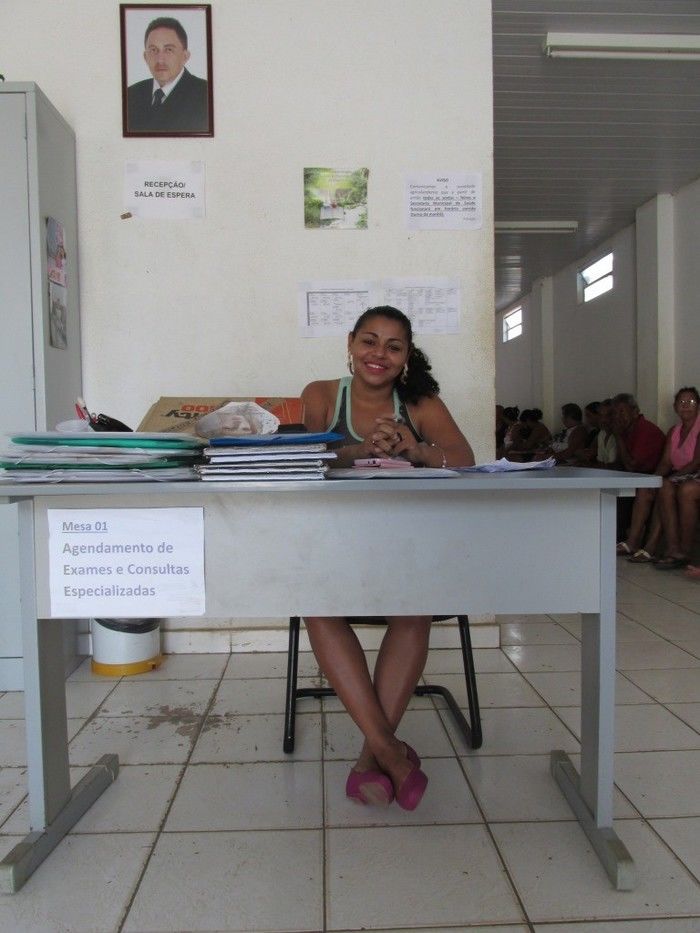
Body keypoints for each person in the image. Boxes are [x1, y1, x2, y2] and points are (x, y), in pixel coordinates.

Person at [301, 306, 474, 810]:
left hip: (406, 543)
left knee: (414, 611)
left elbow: (465, 458)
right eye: (369, 341)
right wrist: (358, 450)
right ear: (351, 343)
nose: (379, 354)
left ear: (406, 356)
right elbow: (305, 457)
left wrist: (415, 449)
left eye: (393, 346)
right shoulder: (320, 394)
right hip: (335, 543)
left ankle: (370, 756)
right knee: (317, 607)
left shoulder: (420, 402)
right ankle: (392, 752)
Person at [127, 17, 209, 133]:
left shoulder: (206, 95)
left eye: (169, 50)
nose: (160, 59)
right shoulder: (130, 95)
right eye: (153, 50)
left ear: (185, 56)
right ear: (145, 57)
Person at [652, 387, 700, 570]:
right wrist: (653, 479)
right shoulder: (674, 430)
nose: (686, 405)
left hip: (694, 473)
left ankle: (686, 550)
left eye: (691, 402)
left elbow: (696, 463)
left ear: (698, 406)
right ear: (675, 407)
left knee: (686, 490)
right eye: (681, 402)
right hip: (683, 475)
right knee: (663, 485)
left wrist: (674, 478)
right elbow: (666, 462)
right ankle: (674, 549)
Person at [613, 393, 666, 556]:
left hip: (653, 475)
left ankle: (629, 541)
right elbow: (621, 463)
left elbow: (631, 465)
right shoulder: (627, 430)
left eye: (622, 412)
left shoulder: (644, 429)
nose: (618, 417)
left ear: (635, 412)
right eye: (615, 413)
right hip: (640, 475)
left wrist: (618, 437)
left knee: (624, 492)